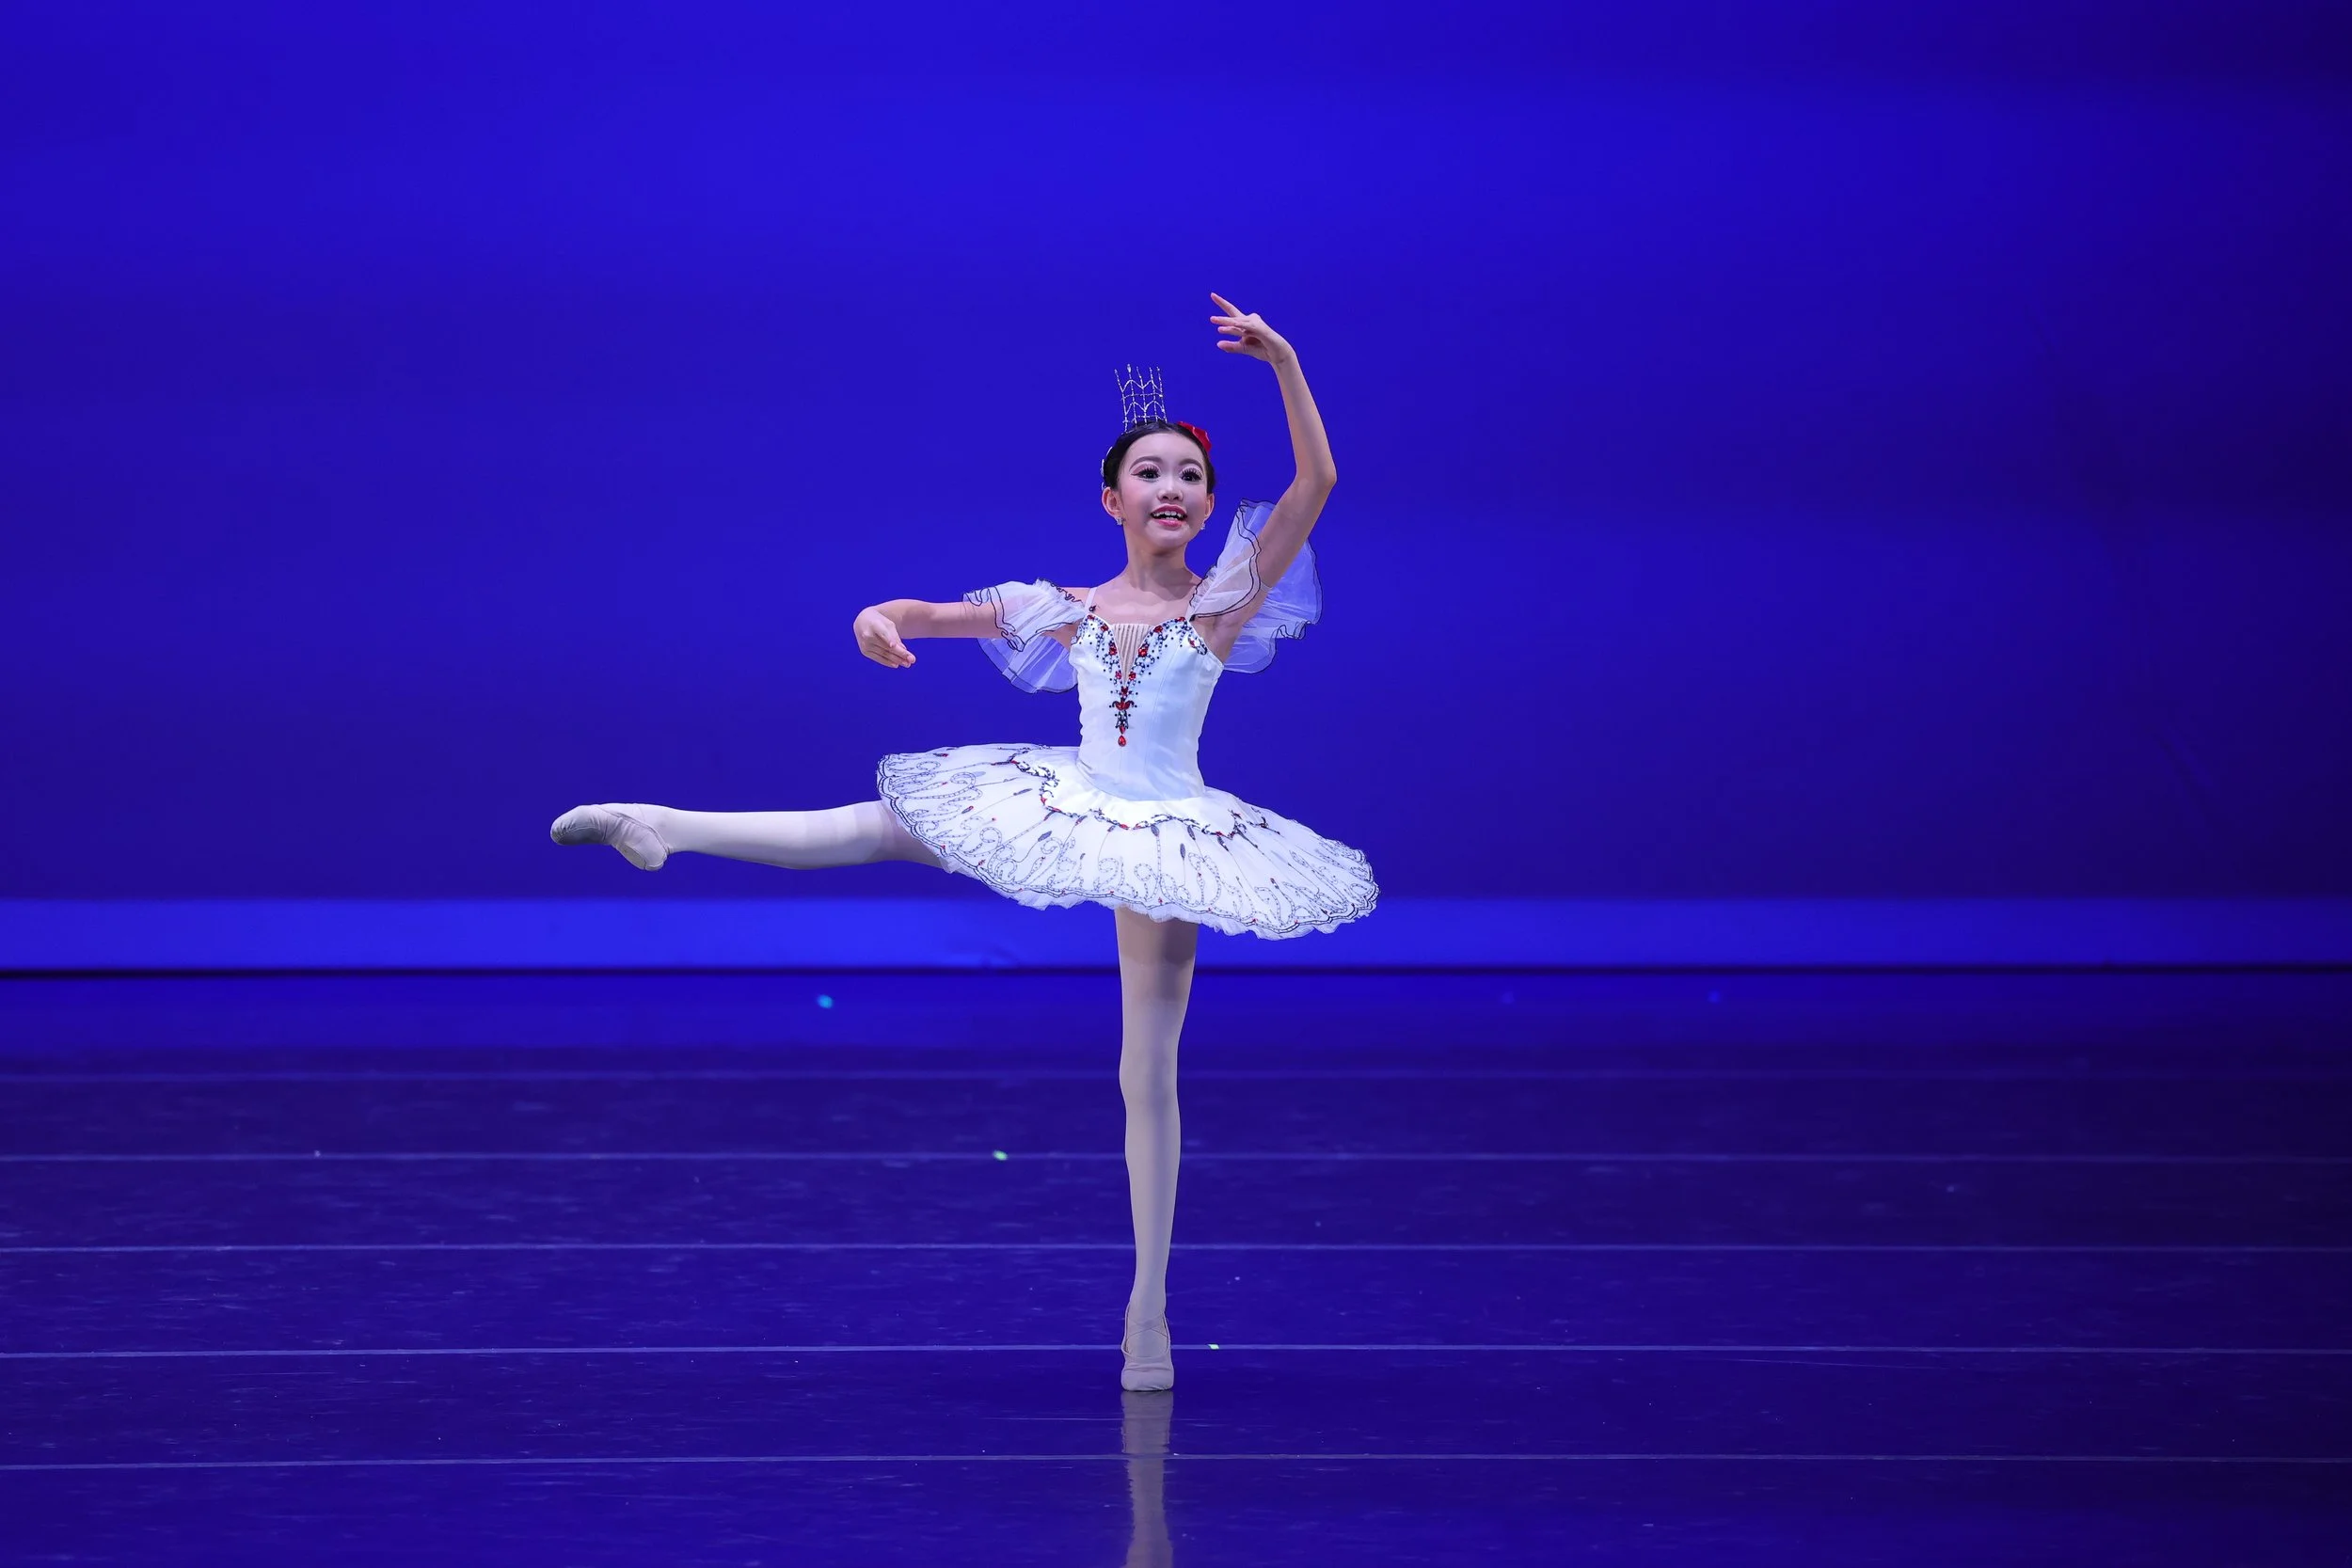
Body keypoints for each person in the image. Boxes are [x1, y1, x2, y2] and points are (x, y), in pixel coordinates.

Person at [551, 293, 1377, 1390]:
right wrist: (874, 620)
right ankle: (660, 822)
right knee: (874, 828)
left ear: (1208, 501)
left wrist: (1282, 361)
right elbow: (924, 609)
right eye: (1151, 472)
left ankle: (1148, 1310)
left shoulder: (1219, 604)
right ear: (1111, 499)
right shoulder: (1063, 605)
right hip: (1065, 797)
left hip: (1172, 827)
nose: (1172, 486)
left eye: (1190, 474)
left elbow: (1315, 485)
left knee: (1146, 1071)